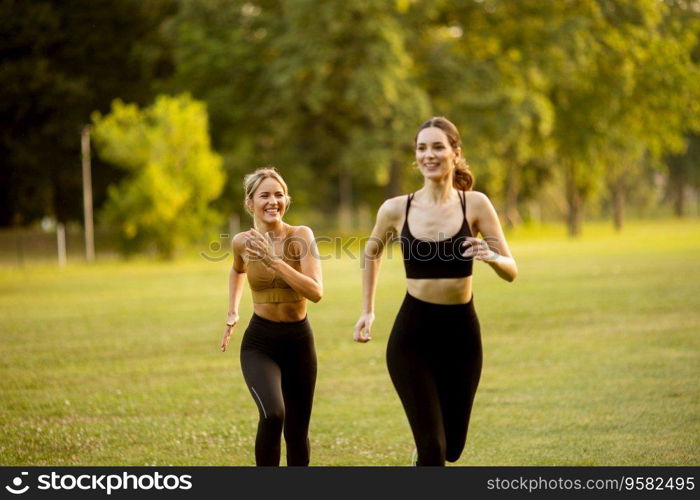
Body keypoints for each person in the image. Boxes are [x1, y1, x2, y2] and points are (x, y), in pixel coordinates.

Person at [353, 117, 517, 466]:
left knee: (452, 448)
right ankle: (426, 456)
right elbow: (371, 252)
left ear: (455, 154)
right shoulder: (397, 208)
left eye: (438, 147)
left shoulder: (475, 205)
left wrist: (492, 257)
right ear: (416, 156)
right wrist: (367, 309)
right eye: (422, 148)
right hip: (413, 334)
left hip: (461, 335)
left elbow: (512, 270)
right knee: (433, 449)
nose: (429, 154)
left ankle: (427, 455)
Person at [221, 167, 323, 466]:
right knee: (273, 414)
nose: (272, 201)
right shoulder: (241, 242)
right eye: (264, 195)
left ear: (286, 201)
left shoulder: (300, 236)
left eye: (279, 195)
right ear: (250, 202)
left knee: (296, 431)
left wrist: (274, 261)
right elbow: (237, 270)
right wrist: (232, 310)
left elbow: (316, 292)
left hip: (299, 342)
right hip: (260, 342)